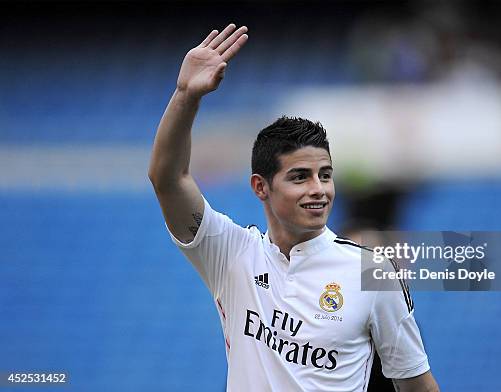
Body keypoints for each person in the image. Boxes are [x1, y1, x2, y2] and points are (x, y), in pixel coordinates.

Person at [148, 23, 439, 392]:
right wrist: (185, 96)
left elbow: (419, 387)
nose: (319, 190)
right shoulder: (232, 255)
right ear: (261, 187)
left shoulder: (373, 274)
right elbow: (168, 180)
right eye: (300, 177)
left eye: (326, 175)